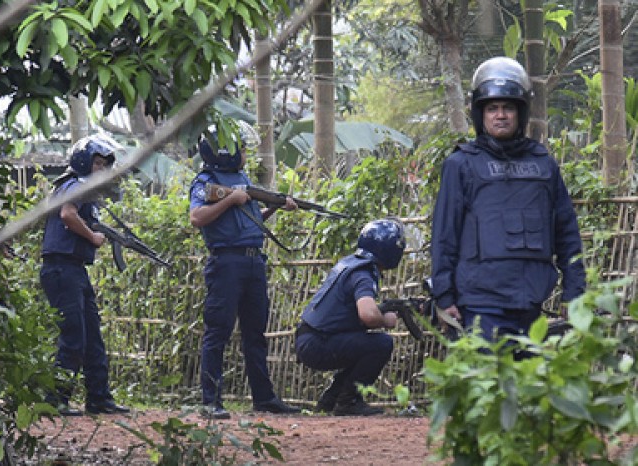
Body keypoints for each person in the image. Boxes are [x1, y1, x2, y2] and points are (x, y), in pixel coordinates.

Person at [430, 56, 586, 353]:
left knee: (530, 392)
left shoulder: (543, 165)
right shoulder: (461, 164)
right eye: (492, 108)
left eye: (508, 107)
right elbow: (444, 236)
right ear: (481, 114)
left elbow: (567, 234)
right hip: (479, 304)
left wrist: (574, 293)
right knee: (488, 391)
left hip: (530, 303)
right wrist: (444, 297)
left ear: (520, 112)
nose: (500, 115)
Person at [189, 130, 301, 419]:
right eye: (240, 149)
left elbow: (250, 219)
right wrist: (230, 200)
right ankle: (210, 401)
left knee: (255, 334)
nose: (244, 153)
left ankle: (264, 398)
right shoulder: (205, 182)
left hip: (253, 262)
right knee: (218, 332)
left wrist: (276, 206)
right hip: (226, 263)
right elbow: (196, 217)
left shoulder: (244, 182)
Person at [40, 134, 130, 416]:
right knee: (74, 336)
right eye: (98, 163)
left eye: (105, 165)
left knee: (92, 335)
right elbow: (68, 214)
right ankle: (56, 399)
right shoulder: (74, 184)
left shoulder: (81, 191)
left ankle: (98, 398)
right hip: (61, 268)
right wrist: (92, 235)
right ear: (83, 162)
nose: (102, 169)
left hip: (74, 270)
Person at [294, 218, 407, 416]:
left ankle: (331, 399)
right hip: (318, 344)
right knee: (381, 344)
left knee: (361, 344)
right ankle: (348, 401)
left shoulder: (349, 263)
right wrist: (385, 320)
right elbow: (368, 315)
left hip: (309, 338)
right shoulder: (364, 274)